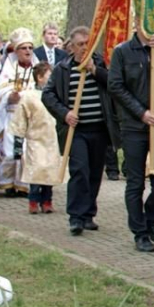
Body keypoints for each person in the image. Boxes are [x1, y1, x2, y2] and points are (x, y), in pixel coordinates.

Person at [108, 15, 154, 252]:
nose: (151, 27)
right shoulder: (123, 52)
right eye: (145, 22)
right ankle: (139, 232)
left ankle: (150, 218)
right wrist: (141, 112)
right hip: (134, 127)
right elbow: (115, 86)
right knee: (135, 182)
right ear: (135, 24)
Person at [43, 27, 119, 236]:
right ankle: (76, 216)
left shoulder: (102, 64)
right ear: (71, 46)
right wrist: (64, 113)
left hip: (100, 129)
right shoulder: (62, 69)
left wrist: (96, 70)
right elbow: (48, 95)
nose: (85, 47)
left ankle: (88, 215)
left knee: (95, 173)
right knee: (80, 171)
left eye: (88, 43)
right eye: (80, 44)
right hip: (76, 131)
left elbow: (115, 86)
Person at [0, 28, 39, 195]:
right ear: (16, 50)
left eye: (30, 48)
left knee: (28, 152)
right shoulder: (9, 68)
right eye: (23, 48)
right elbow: (0, 91)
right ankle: (8, 183)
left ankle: (24, 184)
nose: (27, 51)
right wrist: (9, 96)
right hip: (12, 117)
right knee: (11, 151)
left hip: (32, 118)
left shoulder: (37, 68)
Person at [11, 62, 64, 214]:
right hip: (35, 139)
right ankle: (33, 200)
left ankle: (47, 200)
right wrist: (18, 144)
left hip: (52, 139)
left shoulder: (56, 95)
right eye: (49, 76)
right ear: (40, 78)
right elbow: (20, 120)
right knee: (36, 171)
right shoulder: (28, 97)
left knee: (49, 171)